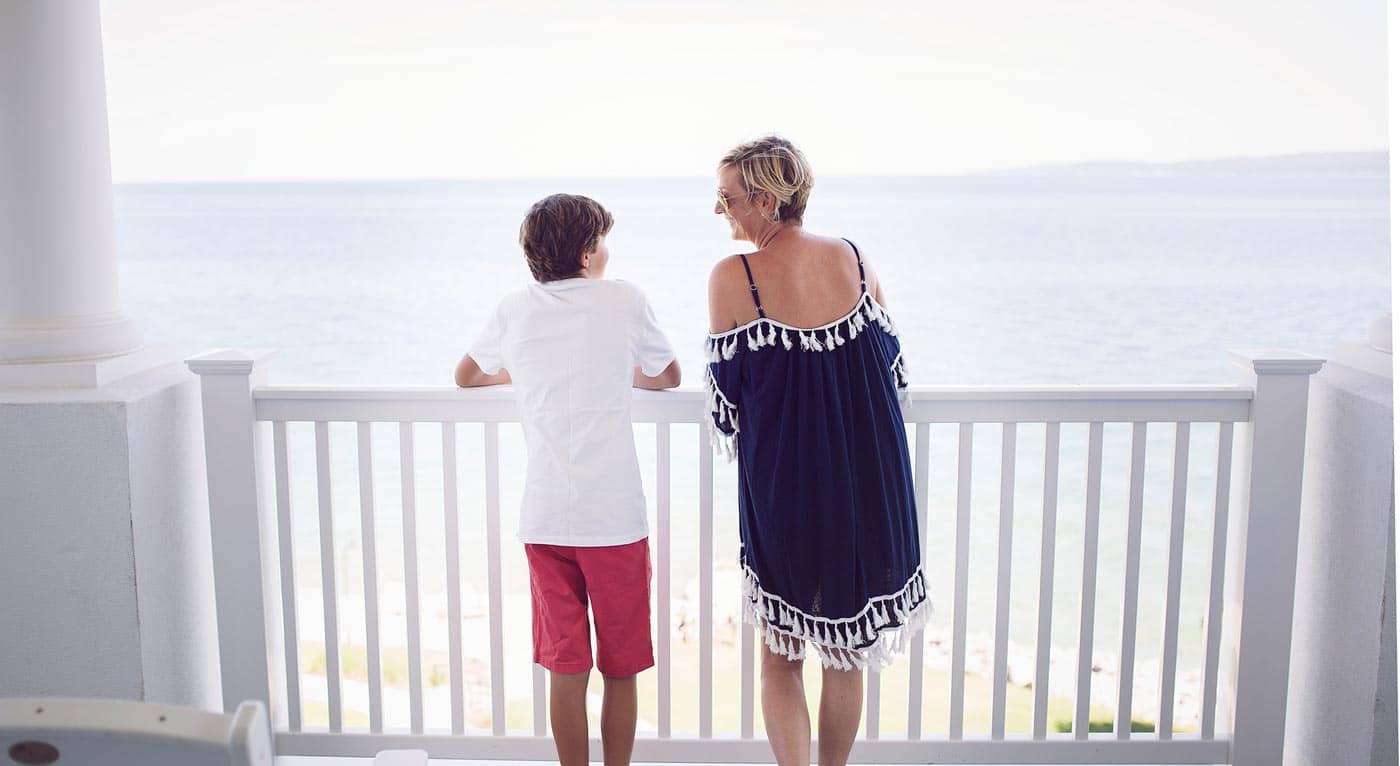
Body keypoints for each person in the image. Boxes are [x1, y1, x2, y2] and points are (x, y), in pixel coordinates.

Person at [704, 137, 928, 766]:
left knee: (780, 656)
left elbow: (730, 400)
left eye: (727, 198)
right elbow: (892, 367)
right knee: (845, 653)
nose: (719, 211)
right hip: (871, 481)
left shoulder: (735, 278)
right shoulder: (855, 260)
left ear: (767, 200)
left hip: (789, 486)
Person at [456, 193, 680, 766]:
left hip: (546, 518)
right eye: (604, 240)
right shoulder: (625, 299)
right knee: (622, 666)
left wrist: (529, 372)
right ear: (587, 252)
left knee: (566, 665)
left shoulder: (514, 307)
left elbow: (467, 376)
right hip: (615, 521)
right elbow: (668, 376)